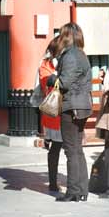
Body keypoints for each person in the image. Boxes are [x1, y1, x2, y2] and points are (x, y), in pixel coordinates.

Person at [54, 23, 93, 202]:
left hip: (72, 106)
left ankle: (72, 191)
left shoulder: (70, 56)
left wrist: (51, 79)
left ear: (67, 36)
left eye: (62, 35)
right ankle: (82, 190)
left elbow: (64, 83)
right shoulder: (82, 54)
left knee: (71, 150)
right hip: (83, 105)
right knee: (77, 149)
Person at [37, 41, 64, 195]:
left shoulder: (67, 62)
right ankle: (53, 182)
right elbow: (46, 82)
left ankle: (73, 181)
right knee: (56, 147)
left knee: (71, 149)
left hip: (67, 112)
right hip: (54, 113)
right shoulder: (46, 65)